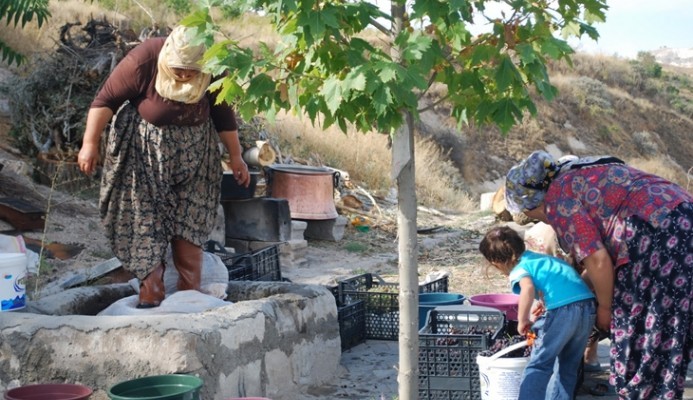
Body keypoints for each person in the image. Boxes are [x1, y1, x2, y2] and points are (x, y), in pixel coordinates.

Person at [77, 25, 250, 308]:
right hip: (145, 151)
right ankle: (151, 289)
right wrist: (89, 144)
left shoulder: (214, 65)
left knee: (191, 216)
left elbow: (222, 112)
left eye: (191, 70)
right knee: (144, 214)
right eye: (178, 68)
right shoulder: (144, 59)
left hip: (197, 153)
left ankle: (189, 292)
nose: (183, 75)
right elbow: (105, 100)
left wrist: (236, 156)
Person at [505, 150, 693, 399]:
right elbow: (599, 264)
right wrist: (579, 287)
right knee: (669, 332)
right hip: (682, 219)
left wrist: (604, 308)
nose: (543, 220)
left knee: (642, 341)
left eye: (532, 215)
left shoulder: (558, 198)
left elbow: (598, 260)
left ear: (533, 203)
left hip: (658, 240)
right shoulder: (580, 173)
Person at [479, 226, 596, 400]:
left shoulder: (519, 267)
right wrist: (544, 302)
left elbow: (527, 289)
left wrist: (522, 319)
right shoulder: (541, 259)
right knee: (568, 366)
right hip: (587, 307)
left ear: (496, 262)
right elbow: (563, 283)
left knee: (539, 365)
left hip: (562, 312)